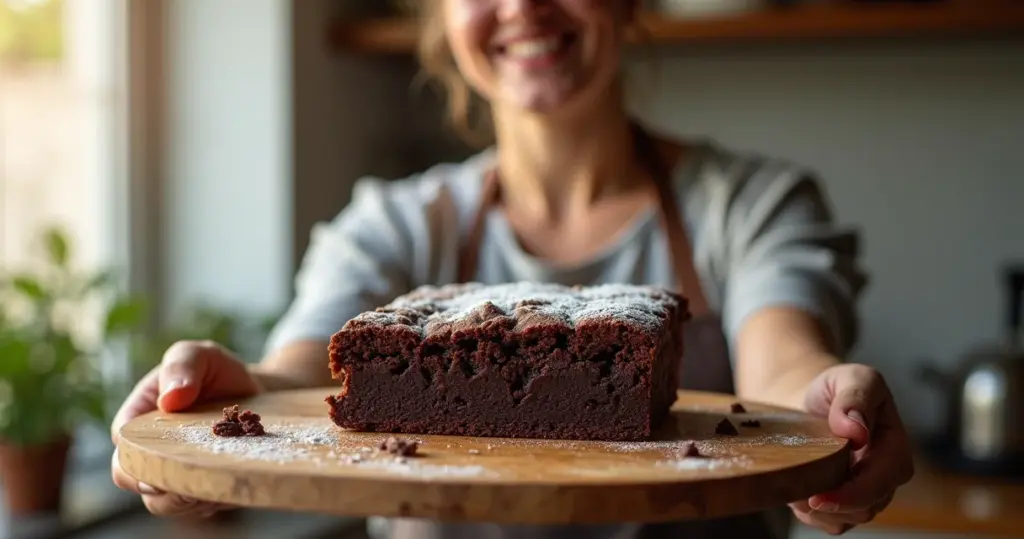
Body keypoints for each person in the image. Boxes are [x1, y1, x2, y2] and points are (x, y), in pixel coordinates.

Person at [110, 0, 915, 537]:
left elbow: (784, 369)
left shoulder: (753, 205)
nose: (525, 5)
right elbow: (293, 384)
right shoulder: (392, 225)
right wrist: (223, 397)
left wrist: (823, 407)